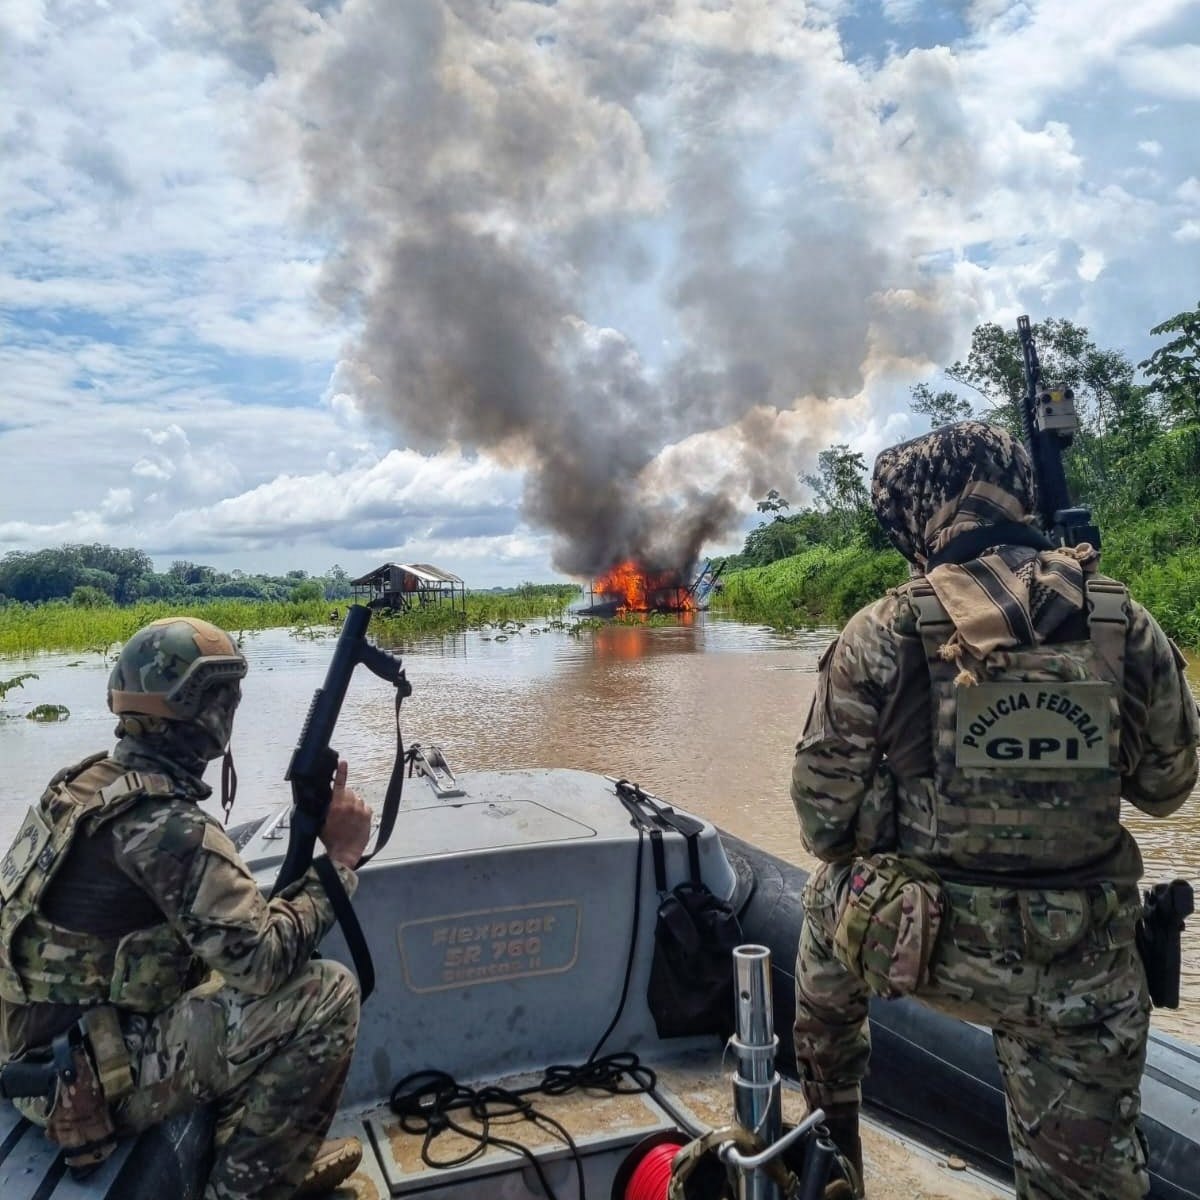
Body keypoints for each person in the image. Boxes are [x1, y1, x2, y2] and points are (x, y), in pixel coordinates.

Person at [790, 421, 1199, 1200]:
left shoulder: (883, 629)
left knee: (820, 906)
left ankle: (829, 1141)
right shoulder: (1120, 618)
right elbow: (1167, 789)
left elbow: (823, 823)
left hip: (923, 950)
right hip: (1082, 970)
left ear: (926, 512)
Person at [0, 616, 374, 1199]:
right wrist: (341, 861)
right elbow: (264, 963)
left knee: (219, 974)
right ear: (207, 714)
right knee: (325, 994)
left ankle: (235, 1141)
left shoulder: (81, 783)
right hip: (83, 1081)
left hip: (40, 1057)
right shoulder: (167, 827)